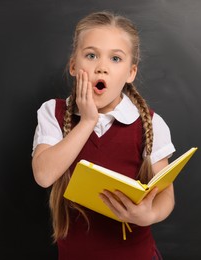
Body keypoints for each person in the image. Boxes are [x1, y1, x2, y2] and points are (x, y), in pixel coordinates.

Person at [31, 10, 176, 260]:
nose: (102, 68)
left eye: (115, 59)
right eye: (91, 55)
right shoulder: (52, 112)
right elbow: (44, 175)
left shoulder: (150, 123)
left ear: (131, 73)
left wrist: (149, 215)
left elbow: (166, 195)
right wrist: (87, 121)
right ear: (74, 66)